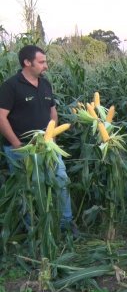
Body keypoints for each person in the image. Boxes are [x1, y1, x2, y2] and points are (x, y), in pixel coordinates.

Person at [0, 45, 77, 234]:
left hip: (48, 145)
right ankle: (35, 230)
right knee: (29, 190)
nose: (46, 66)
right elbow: (1, 117)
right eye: (42, 62)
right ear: (27, 62)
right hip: (22, 150)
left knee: (61, 180)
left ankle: (66, 224)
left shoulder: (45, 84)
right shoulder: (11, 86)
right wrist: (18, 144)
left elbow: (52, 111)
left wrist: (53, 136)